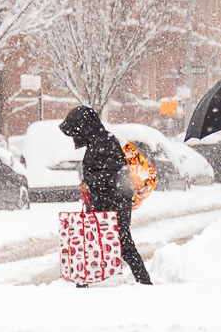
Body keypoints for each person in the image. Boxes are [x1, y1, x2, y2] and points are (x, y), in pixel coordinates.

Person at [61, 106, 152, 285]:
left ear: (84, 127)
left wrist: (90, 183)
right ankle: (86, 280)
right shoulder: (99, 140)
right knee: (96, 239)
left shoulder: (104, 142)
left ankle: (144, 282)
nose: (74, 137)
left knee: (122, 243)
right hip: (110, 200)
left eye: (75, 131)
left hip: (114, 202)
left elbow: (113, 174)